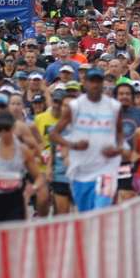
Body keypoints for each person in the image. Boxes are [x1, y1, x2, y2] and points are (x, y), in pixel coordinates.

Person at [50, 68, 122, 213]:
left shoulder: (114, 107)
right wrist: (73, 145)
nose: (95, 85)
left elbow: (120, 134)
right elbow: (54, 134)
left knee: (101, 210)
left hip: (106, 170)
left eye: (98, 81)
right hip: (81, 170)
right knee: (87, 214)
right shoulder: (75, 107)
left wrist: (117, 149)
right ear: (85, 83)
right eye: (92, 81)